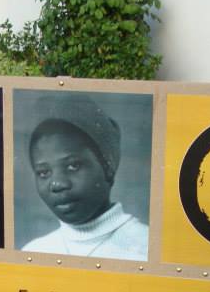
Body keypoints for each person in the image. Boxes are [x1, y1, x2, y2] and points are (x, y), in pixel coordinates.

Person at [22, 97, 148, 260]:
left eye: (73, 165)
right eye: (44, 173)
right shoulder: (33, 252)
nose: (57, 184)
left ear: (108, 167)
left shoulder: (146, 248)